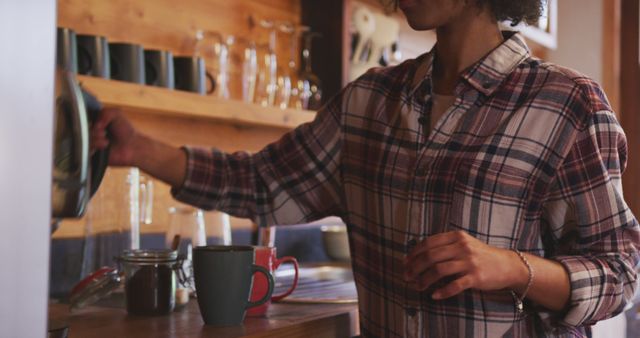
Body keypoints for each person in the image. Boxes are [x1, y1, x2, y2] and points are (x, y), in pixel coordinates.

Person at [91, 0, 640, 336]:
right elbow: (262, 184)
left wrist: (513, 267)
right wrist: (141, 150)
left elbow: (621, 273)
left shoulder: (567, 103)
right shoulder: (368, 102)